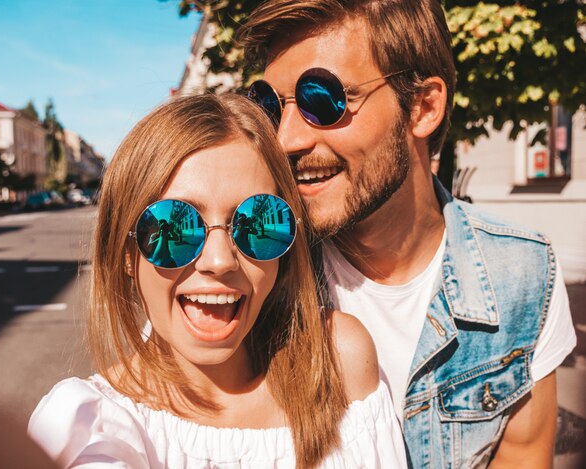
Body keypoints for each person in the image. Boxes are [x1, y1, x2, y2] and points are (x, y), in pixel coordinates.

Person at [239, 1, 577, 467]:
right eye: (269, 106)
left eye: (322, 98)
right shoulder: (243, 271)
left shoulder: (521, 275)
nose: (286, 140)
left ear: (423, 107)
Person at [28, 94, 406, 468]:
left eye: (259, 223)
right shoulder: (89, 429)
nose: (220, 260)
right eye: (175, 225)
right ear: (127, 253)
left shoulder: (337, 362)